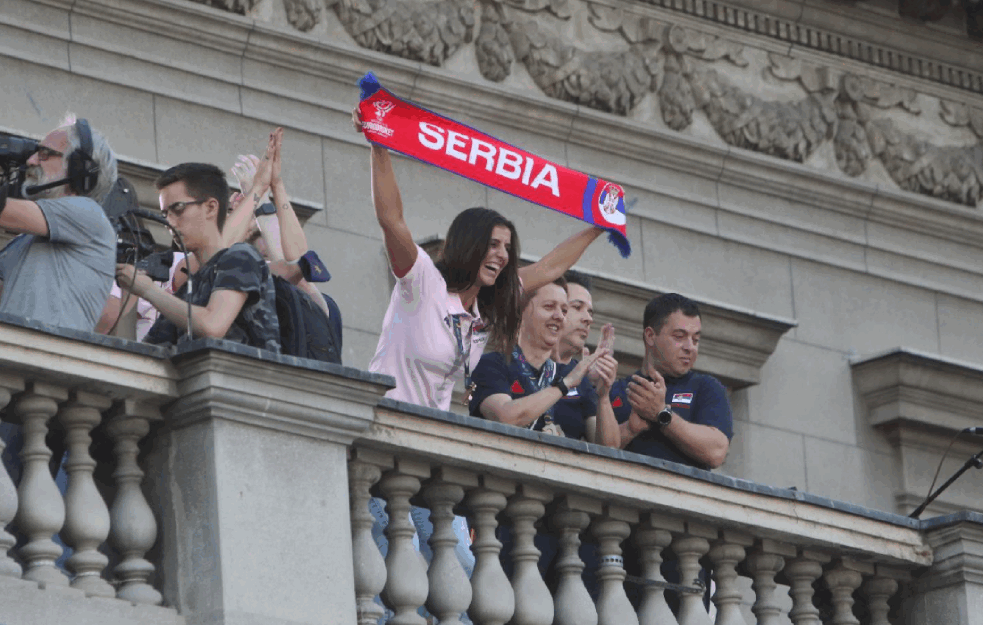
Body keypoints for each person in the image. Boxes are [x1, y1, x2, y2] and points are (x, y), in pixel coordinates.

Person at [353, 109, 608, 411]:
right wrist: (378, 144)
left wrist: (599, 226)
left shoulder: (483, 310)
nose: (502, 256)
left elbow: (550, 268)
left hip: (431, 434)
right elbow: (391, 219)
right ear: (469, 245)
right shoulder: (421, 281)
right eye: (493, 245)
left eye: (507, 248)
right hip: (385, 420)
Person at [116, 160, 280, 352]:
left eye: (177, 209)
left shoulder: (240, 257)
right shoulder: (187, 291)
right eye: (164, 215)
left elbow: (213, 325)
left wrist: (147, 289)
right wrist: (127, 291)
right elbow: (143, 356)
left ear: (211, 207)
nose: (169, 223)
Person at [469, 277, 619, 447]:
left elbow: (610, 448)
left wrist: (603, 396)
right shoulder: (492, 364)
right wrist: (565, 384)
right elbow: (506, 417)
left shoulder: (577, 378)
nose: (559, 316)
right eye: (549, 307)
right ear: (520, 312)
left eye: (564, 310)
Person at [0, 116, 118, 331]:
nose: (31, 161)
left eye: (44, 154)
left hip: (47, 357)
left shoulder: (88, 213)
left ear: (78, 168)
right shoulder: (22, 242)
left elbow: (3, 211)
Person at [610, 293, 732, 470]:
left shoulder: (707, 388)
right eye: (679, 336)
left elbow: (716, 452)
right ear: (650, 336)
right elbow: (593, 448)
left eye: (695, 339)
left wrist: (661, 414)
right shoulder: (617, 391)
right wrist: (629, 429)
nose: (690, 347)